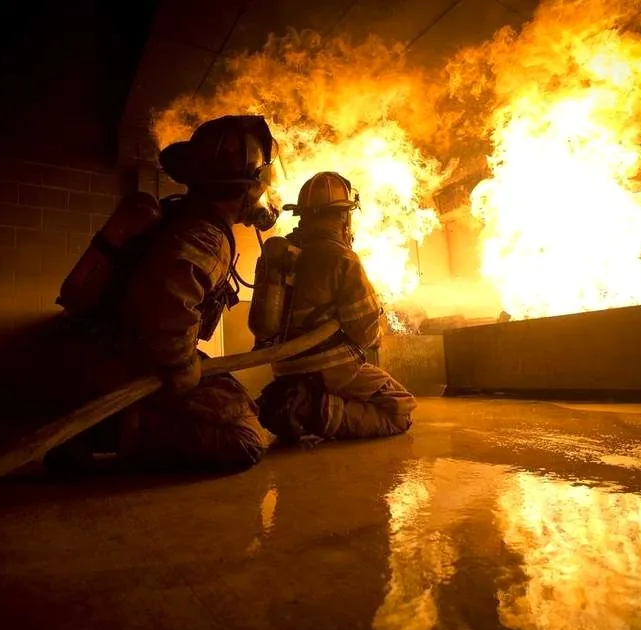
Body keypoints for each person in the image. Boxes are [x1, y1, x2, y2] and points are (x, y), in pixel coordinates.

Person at [44, 115, 280, 473]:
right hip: (127, 363)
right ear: (246, 186)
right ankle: (121, 431)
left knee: (239, 400)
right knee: (243, 440)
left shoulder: (179, 214)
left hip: (104, 350)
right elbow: (169, 309)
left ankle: (109, 426)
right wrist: (182, 367)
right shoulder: (206, 237)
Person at [255, 171, 417, 443]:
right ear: (343, 216)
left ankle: (300, 401)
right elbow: (364, 333)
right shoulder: (342, 257)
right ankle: (308, 410)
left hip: (284, 368)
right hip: (331, 368)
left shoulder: (282, 255)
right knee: (400, 409)